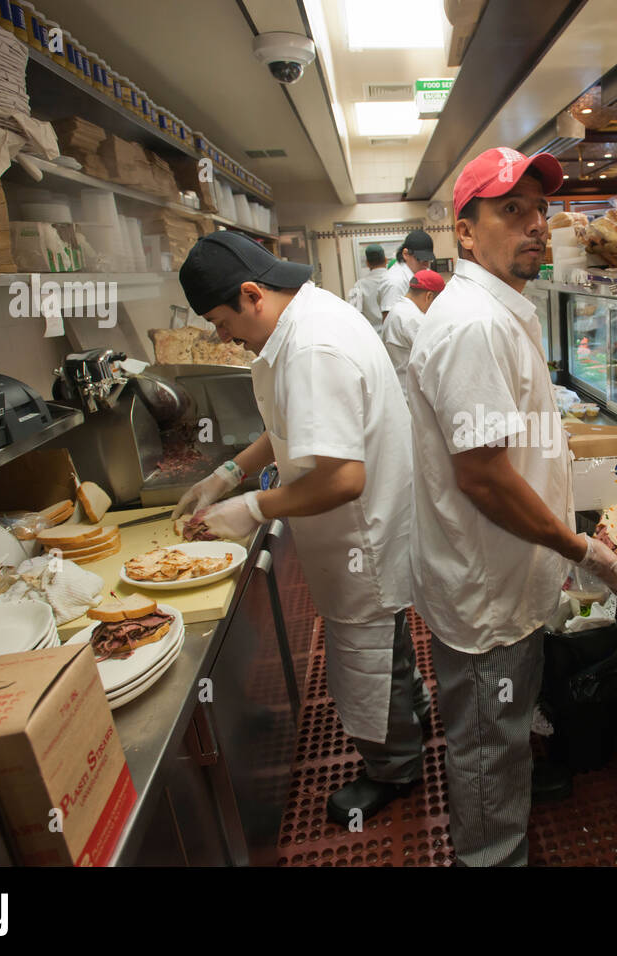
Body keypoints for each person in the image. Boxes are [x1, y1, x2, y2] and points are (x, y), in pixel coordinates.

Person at [406, 147, 617, 867]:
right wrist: (580, 548)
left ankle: (500, 821)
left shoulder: (504, 310)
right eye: (512, 210)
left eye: (540, 210)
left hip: (505, 574)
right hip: (487, 589)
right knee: (487, 742)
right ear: (464, 230)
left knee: (501, 729)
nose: (536, 225)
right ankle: (490, 855)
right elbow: (481, 477)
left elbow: (502, 441)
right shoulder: (475, 324)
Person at [172, 231, 429, 825]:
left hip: (359, 535)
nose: (220, 336)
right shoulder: (305, 317)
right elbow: (292, 426)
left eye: (220, 320)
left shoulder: (315, 347)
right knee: (383, 644)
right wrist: (230, 472)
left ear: (252, 294)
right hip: (358, 533)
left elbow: (342, 480)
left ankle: (396, 770)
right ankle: (410, 716)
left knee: (366, 656)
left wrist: (253, 509)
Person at [381, 268, 444, 404]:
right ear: (429, 296)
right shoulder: (413, 319)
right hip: (410, 395)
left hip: (400, 389)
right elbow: (433, 357)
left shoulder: (398, 309)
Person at [380, 229, 435, 317]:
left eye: (428, 260)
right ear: (406, 254)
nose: (426, 265)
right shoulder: (394, 282)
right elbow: (390, 319)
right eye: (420, 259)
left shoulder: (419, 272)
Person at [346, 243, 389, 334]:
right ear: (386, 260)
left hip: (373, 336)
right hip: (393, 337)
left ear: (368, 263)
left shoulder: (359, 285)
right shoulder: (394, 280)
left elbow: (354, 313)